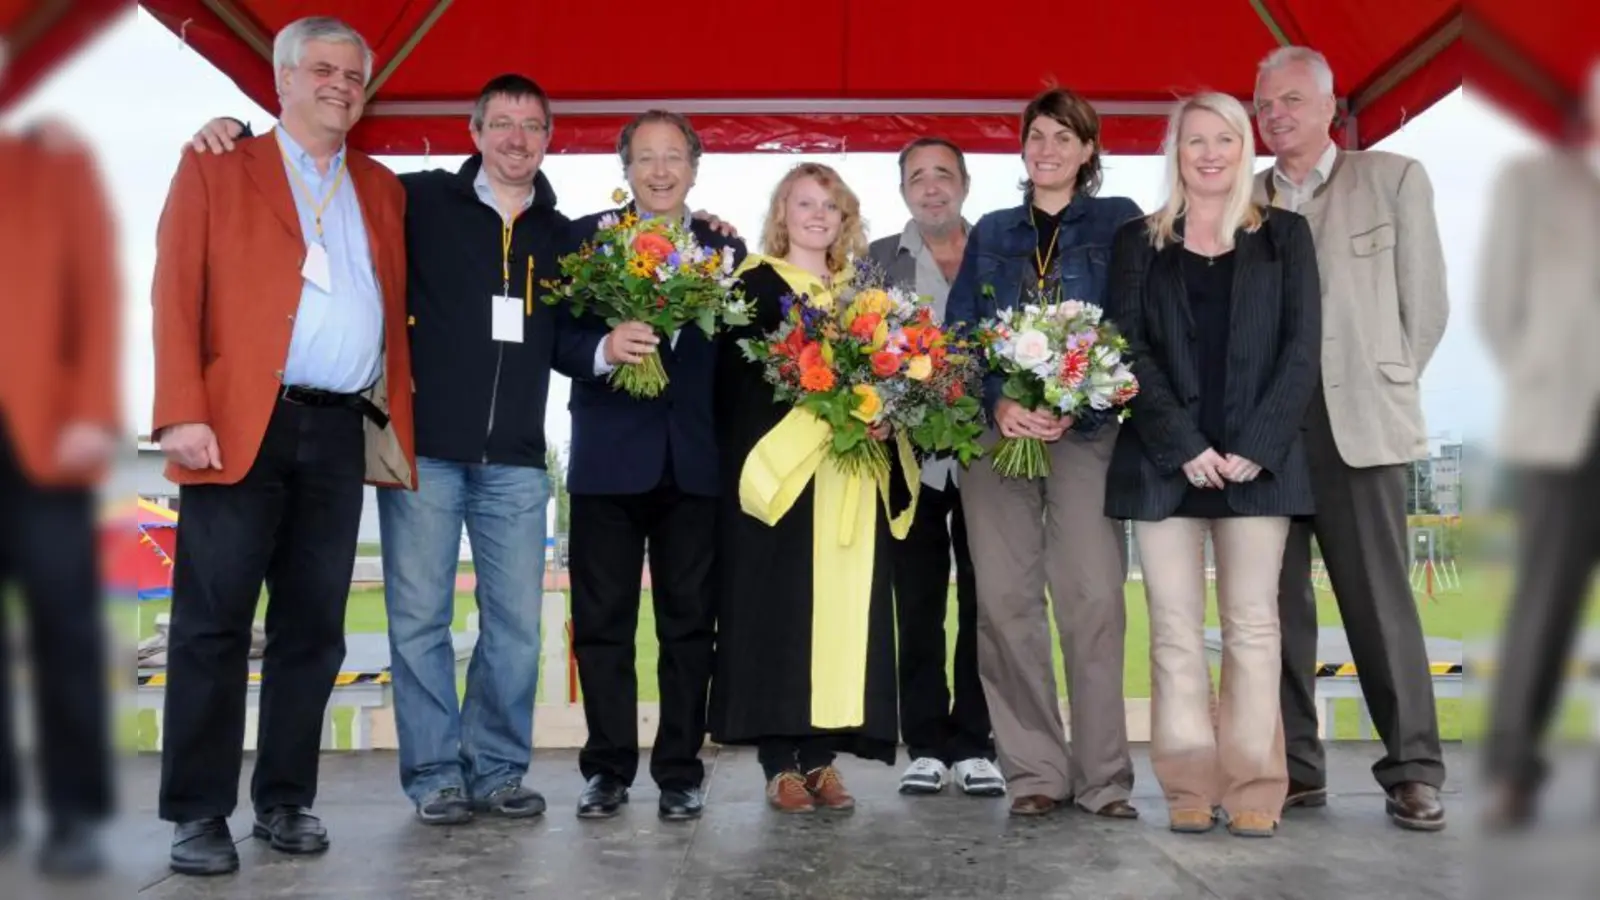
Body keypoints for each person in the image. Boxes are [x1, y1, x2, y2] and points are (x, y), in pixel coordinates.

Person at [153, 17, 416, 876]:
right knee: (211, 627)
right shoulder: (217, 163)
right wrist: (180, 411)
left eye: (354, 74)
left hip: (338, 429)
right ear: (283, 79)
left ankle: (286, 799)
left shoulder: (380, 186)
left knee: (314, 629)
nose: (341, 84)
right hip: (234, 425)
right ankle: (197, 813)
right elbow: (172, 292)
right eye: (323, 69)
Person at [1106, 92, 1321, 838]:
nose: (1209, 153)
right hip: (1165, 466)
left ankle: (1256, 786)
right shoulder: (1138, 241)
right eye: (1195, 140)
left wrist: (1254, 447)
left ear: (1245, 146)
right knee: (1171, 631)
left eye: (1223, 138)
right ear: (1177, 151)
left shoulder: (1287, 237)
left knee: (1254, 628)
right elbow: (1125, 349)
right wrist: (1184, 445)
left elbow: (1301, 352)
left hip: (1261, 467)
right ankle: (1188, 786)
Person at [1252, 46, 1450, 831]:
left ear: (1330, 106)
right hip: (1264, 434)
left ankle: (1412, 769)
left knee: (1378, 602)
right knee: (1272, 609)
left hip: (1360, 424)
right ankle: (1296, 768)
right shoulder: (1245, 197)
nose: (1276, 117)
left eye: (1291, 101)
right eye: (1265, 106)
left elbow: (1425, 309)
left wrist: (1379, 382)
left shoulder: (1393, 178)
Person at [945, 87, 1143, 819]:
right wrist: (999, 400)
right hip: (996, 440)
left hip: (1086, 436)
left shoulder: (1120, 221)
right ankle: (1034, 773)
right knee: (1004, 605)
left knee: (1093, 600)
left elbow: (1130, 325)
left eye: (1064, 136)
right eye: (1036, 136)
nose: (1048, 149)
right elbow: (962, 333)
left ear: (1088, 150)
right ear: (1022, 148)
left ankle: (1104, 782)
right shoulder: (992, 229)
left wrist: (1079, 396)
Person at [561, 110, 746, 822]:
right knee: (602, 623)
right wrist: (604, 349)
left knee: (689, 626)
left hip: (694, 467)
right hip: (608, 464)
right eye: (646, 158)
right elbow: (559, 341)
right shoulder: (589, 242)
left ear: (695, 169)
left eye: (674, 157)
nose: (661, 171)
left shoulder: (723, 250)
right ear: (626, 169)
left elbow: (735, 368)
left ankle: (679, 770)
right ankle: (606, 768)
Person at [711, 162, 907, 813]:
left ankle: (821, 761)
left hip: (847, 478)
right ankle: (779, 764)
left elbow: (891, 377)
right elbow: (737, 386)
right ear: (782, 213)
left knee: (838, 623)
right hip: (783, 475)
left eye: (829, 204)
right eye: (804, 203)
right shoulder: (755, 286)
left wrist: (882, 413)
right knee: (780, 616)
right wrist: (819, 408)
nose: (817, 215)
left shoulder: (864, 295)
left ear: (844, 216)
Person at [0, 35, 119, 879]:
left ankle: (74, 814)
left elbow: (99, 290)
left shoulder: (55, 165)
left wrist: (93, 411)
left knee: (64, 628)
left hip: (39, 437)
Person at [1476, 59, 1600, 829]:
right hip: (1563, 425)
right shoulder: (1533, 183)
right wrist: (1545, 371)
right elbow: (1497, 304)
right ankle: (1513, 774)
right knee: (1545, 601)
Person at [866, 138, 1003, 797]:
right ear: (902, 192)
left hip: (988, 453)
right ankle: (924, 742)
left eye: (942, 174)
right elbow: (853, 353)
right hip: (906, 458)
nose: (930, 188)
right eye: (916, 177)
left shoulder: (999, 251)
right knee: (915, 603)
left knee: (988, 599)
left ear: (965, 183)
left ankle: (976, 742)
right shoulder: (875, 262)